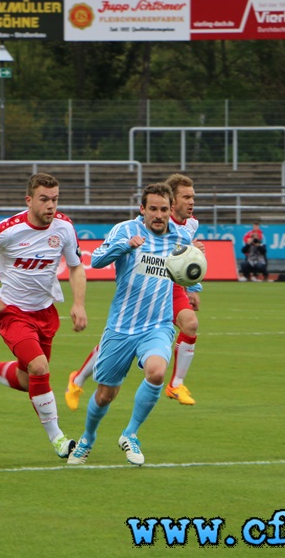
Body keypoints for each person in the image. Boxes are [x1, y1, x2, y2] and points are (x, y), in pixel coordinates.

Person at [0, 173, 87, 459]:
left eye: (55, 199)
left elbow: (76, 267)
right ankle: (59, 440)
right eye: (44, 200)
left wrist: (78, 304)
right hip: (11, 312)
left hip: (45, 312)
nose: (51, 205)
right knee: (39, 368)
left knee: (29, 379)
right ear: (29, 200)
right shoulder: (9, 229)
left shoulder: (64, 227)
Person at [66, 183, 199, 466]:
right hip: (121, 327)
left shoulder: (180, 237)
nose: (159, 215)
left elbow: (187, 272)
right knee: (105, 395)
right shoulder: (126, 230)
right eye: (153, 209)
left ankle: (130, 433)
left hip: (158, 325)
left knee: (156, 372)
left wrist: (194, 265)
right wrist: (125, 246)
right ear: (142, 209)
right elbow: (98, 260)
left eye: (164, 209)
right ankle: (88, 438)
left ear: (171, 209)